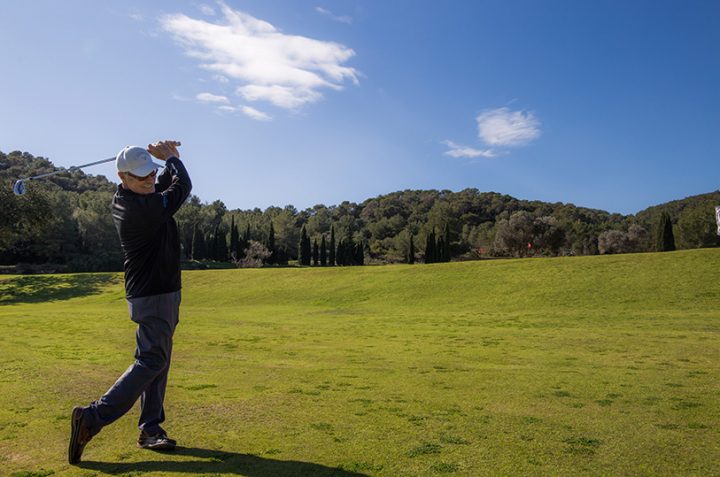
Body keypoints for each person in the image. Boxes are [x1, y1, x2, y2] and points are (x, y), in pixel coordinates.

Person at [69, 140, 192, 465]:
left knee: (157, 360)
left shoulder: (136, 196)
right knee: (152, 361)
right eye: (141, 176)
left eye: (150, 173)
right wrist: (171, 159)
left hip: (158, 291)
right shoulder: (142, 209)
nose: (149, 180)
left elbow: (164, 184)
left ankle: (150, 429)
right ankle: (93, 418)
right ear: (122, 177)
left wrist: (161, 164)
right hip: (153, 294)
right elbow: (182, 186)